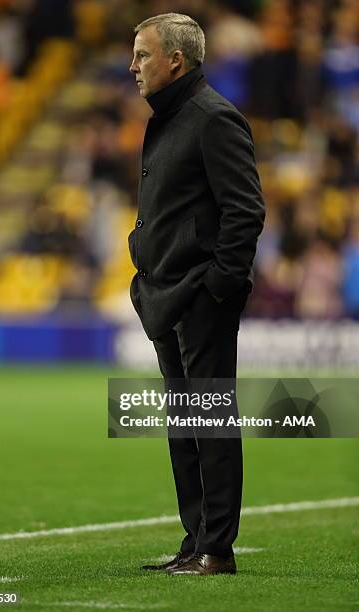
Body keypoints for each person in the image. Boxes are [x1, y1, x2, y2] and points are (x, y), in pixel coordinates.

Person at [128, 13, 265, 576]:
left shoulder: (212, 118)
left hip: (199, 295)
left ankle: (218, 548)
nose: (132, 65)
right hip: (164, 292)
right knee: (184, 426)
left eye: (142, 55)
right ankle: (195, 541)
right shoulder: (168, 118)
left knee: (209, 422)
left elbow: (246, 210)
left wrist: (217, 285)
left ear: (175, 61)